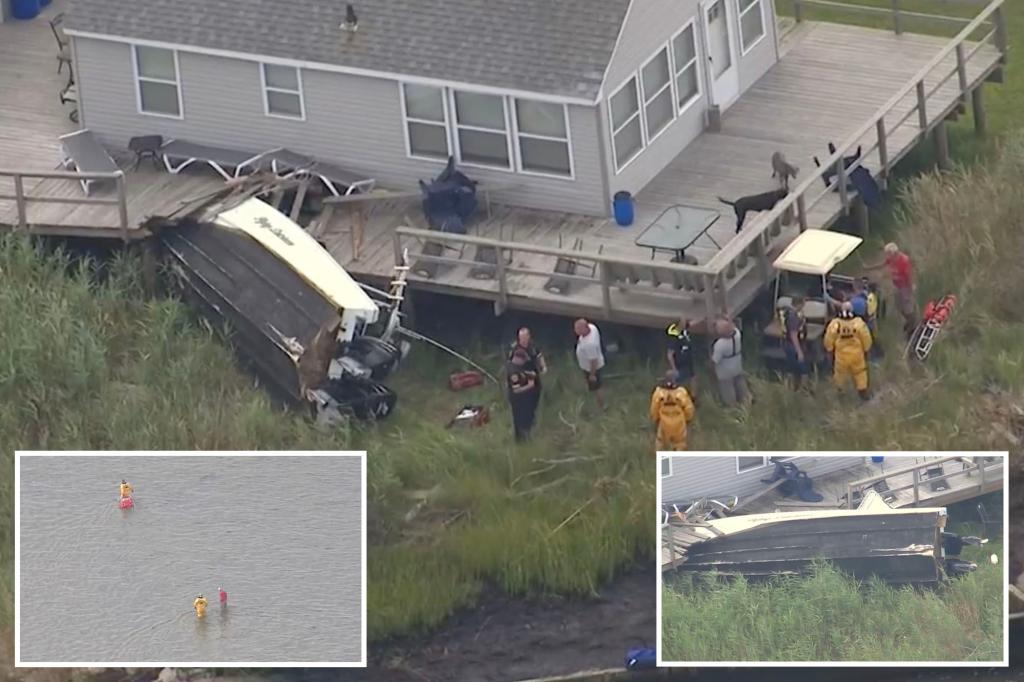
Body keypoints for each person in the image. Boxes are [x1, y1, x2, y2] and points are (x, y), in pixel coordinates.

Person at [824, 301, 873, 402]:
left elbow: (829, 338)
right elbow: (866, 337)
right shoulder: (858, 323)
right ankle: (863, 393)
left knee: (840, 374)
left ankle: (841, 394)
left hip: (841, 356)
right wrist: (867, 349)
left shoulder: (835, 324)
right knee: (860, 373)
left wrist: (829, 349)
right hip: (857, 355)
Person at [866, 242, 917, 339]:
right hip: (897, 286)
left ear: (894, 253)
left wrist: (910, 288)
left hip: (905, 287)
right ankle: (909, 322)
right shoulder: (891, 259)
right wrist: (869, 268)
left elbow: (909, 275)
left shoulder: (904, 261)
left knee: (907, 308)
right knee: (899, 306)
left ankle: (912, 328)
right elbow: (882, 264)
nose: (887, 256)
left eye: (888, 253)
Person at [649, 370, 696, 451]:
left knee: (660, 442)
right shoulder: (681, 393)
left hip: (663, 424)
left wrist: (655, 419)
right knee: (680, 443)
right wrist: (688, 419)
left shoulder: (658, 393)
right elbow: (689, 409)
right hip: (679, 425)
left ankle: (659, 459)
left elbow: (654, 409)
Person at [710, 318, 749, 407]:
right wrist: (727, 319)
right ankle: (746, 402)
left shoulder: (720, 344)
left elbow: (715, 360)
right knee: (740, 383)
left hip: (725, 370)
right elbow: (733, 326)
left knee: (727, 389)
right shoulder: (737, 334)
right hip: (737, 365)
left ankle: (732, 406)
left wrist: (711, 369)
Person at [506, 348, 539, 441]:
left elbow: (523, 373)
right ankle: (523, 439)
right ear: (518, 359)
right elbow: (516, 390)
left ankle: (523, 438)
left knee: (523, 419)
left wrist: (530, 374)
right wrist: (529, 386)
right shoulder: (513, 373)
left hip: (521, 399)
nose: (524, 363)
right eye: (523, 360)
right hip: (517, 400)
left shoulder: (514, 366)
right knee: (521, 420)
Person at [574, 318, 605, 410]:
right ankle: (595, 400)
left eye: (578, 329)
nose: (575, 331)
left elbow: (593, 361)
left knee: (597, 387)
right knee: (594, 386)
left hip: (591, 368)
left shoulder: (590, 344)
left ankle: (601, 406)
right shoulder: (592, 327)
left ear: (584, 329)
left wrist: (592, 374)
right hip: (589, 365)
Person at [779, 296, 809, 391]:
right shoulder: (793, 317)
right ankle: (802, 390)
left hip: (787, 344)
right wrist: (799, 351)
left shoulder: (787, 313)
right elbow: (793, 334)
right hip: (793, 346)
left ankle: (791, 389)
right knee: (803, 369)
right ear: (799, 304)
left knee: (791, 368)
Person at [665, 318, 697, 401]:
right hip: (679, 362)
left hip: (688, 360)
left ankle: (693, 398)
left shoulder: (685, 330)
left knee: (693, 377)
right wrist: (674, 368)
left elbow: (693, 322)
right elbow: (670, 354)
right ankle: (674, 397)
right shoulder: (674, 336)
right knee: (675, 378)